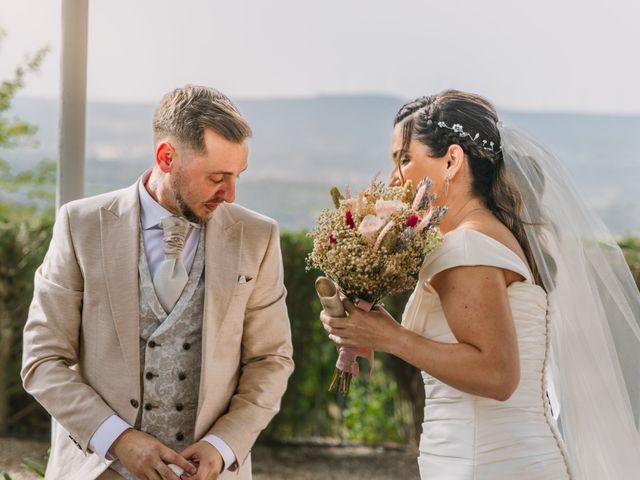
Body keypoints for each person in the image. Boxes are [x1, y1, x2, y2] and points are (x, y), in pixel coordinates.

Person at [320, 90, 640, 479]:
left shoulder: (467, 245)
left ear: (452, 160)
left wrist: (392, 338)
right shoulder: (495, 236)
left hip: (485, 464)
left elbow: (496, 374)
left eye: (404, 159)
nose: (393, 178)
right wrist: (373, 327)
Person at [22, 85, 294, 480]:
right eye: (216, 177)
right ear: (166, 157)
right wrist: (118, 439)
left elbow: (271, 360)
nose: (230, 194)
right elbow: (43, 360)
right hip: (100, 470)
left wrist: (222, 446)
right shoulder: (81, 226)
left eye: (237, 176)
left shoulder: (258, 236)